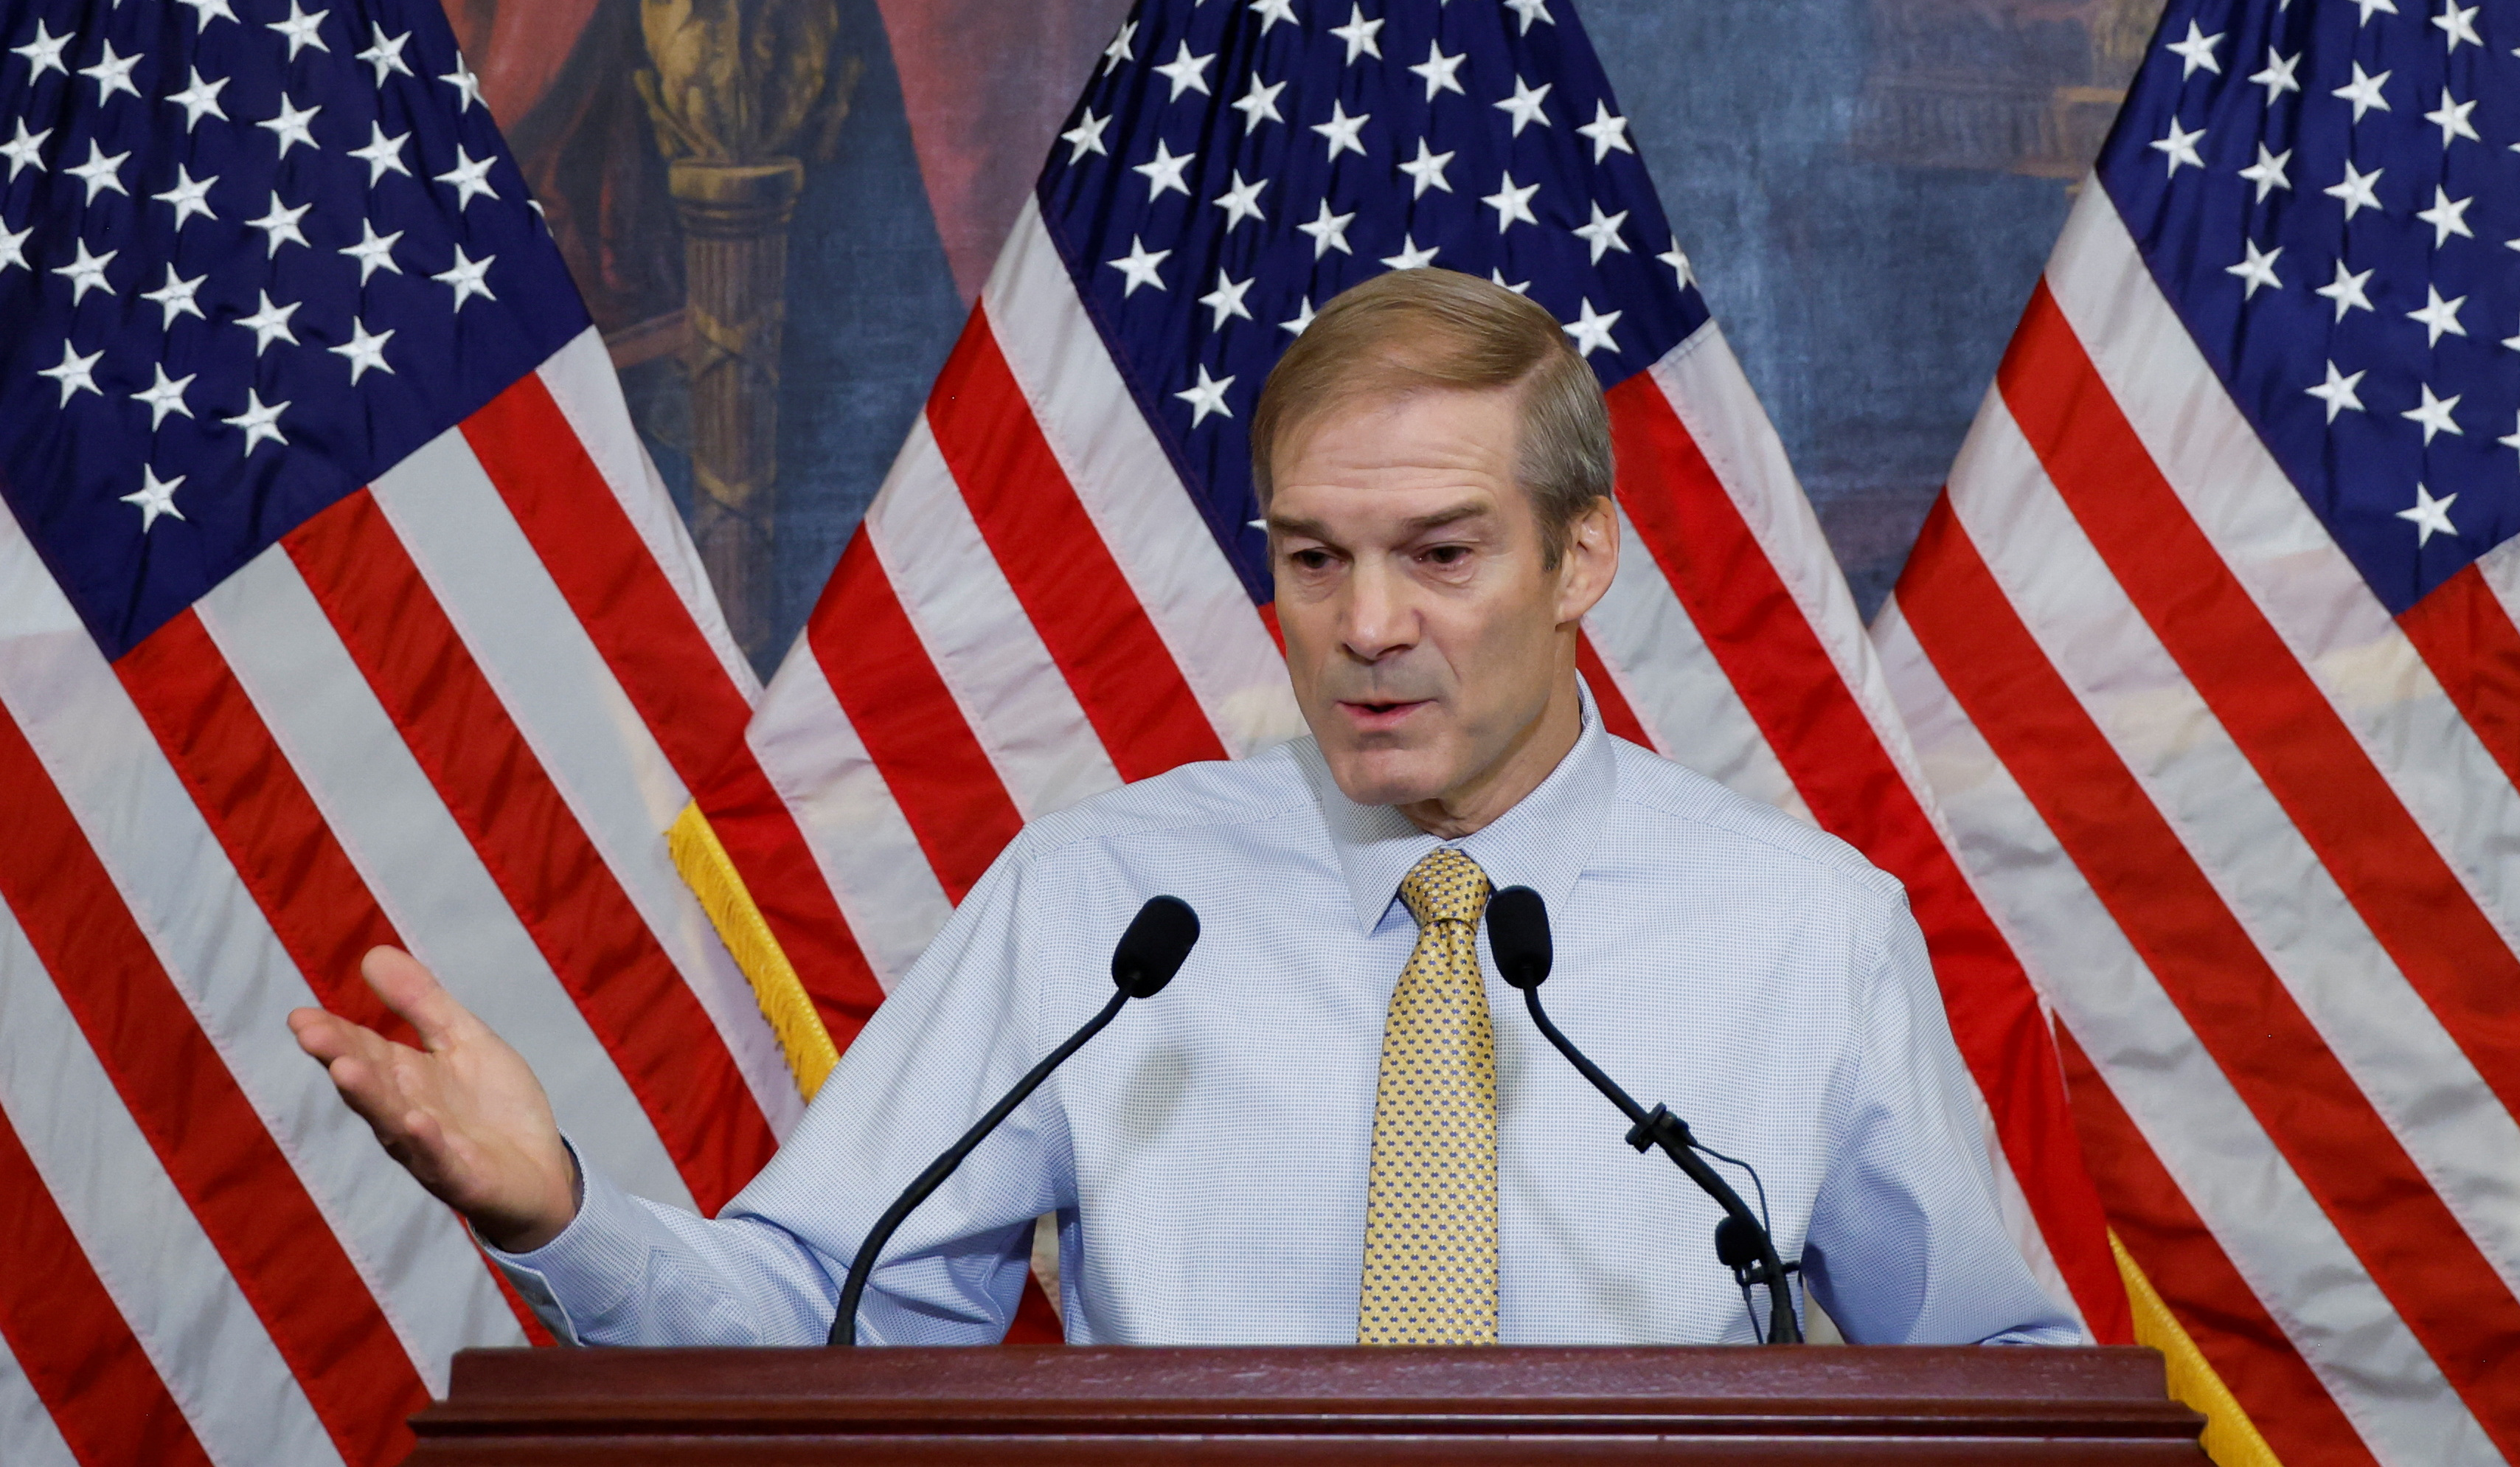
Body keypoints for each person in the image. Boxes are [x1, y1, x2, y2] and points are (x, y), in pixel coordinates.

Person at [291, 268, 2081, 1348]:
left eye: (1441, 554)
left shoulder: (1802, 925)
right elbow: (819, 1312)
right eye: (1315, 558)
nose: (1367, 626)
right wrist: (558, 1212)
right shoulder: (1107, 905)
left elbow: (1998, 1380)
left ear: (1578, 556)